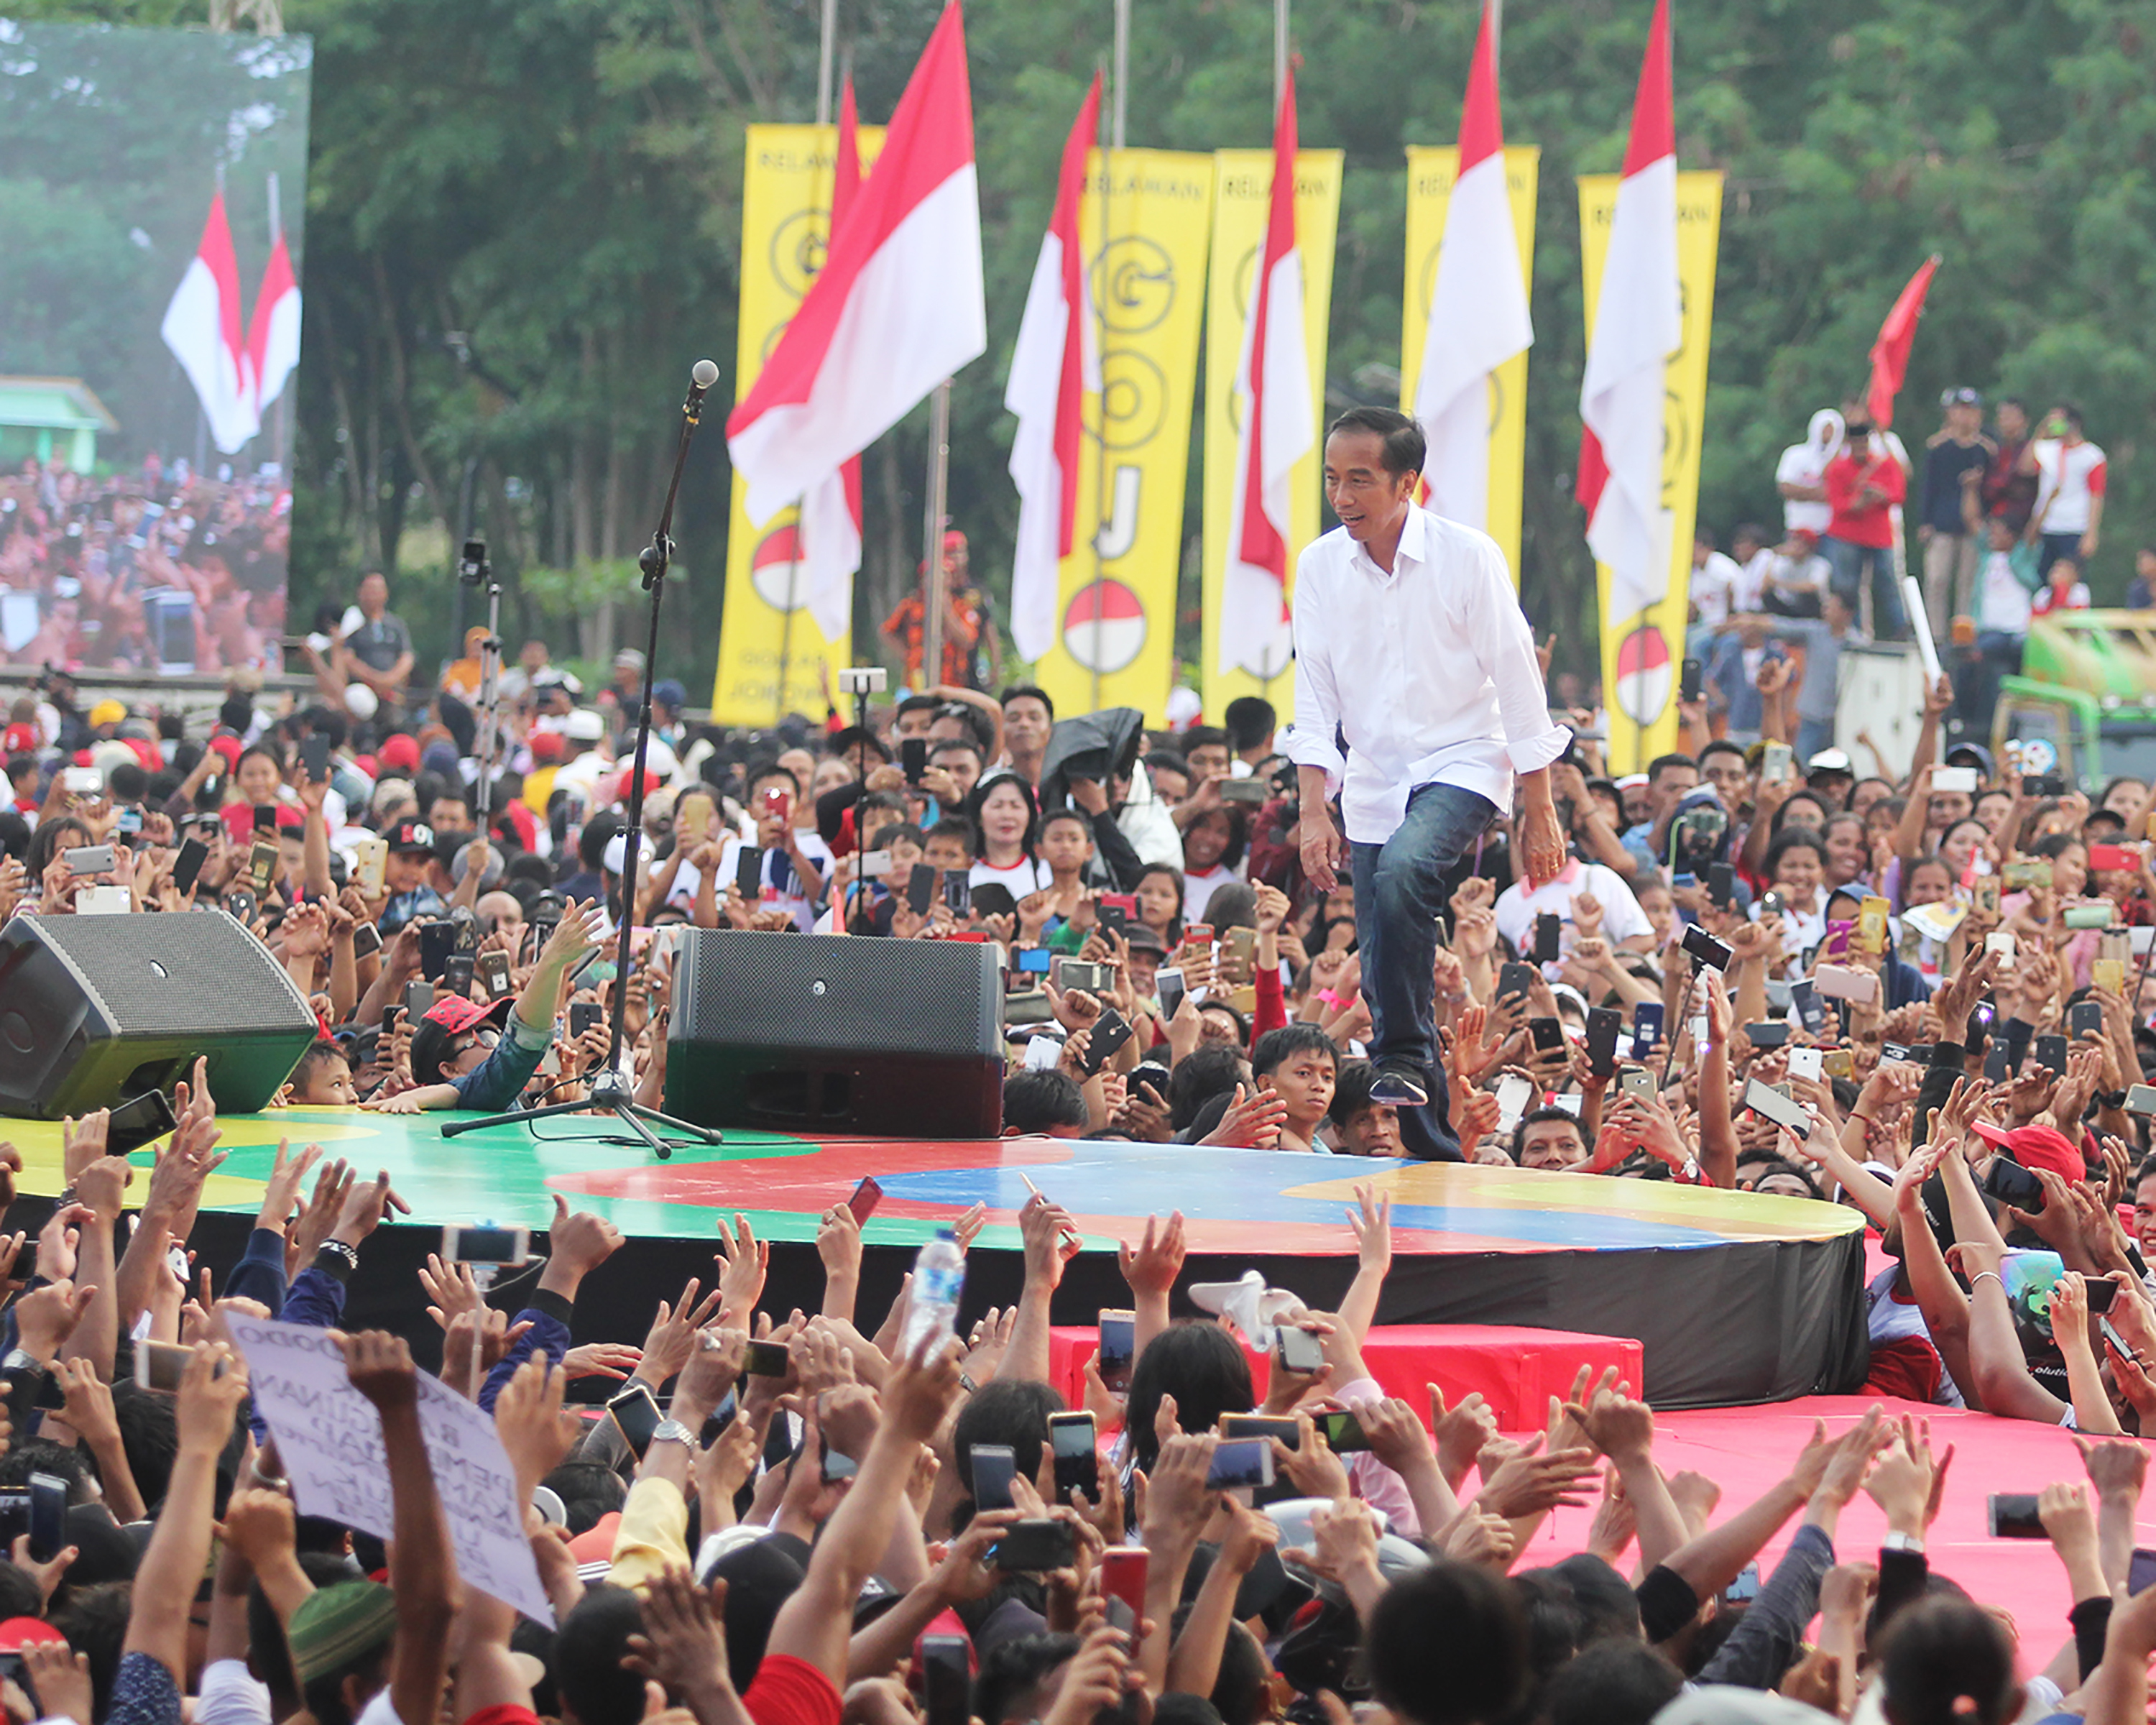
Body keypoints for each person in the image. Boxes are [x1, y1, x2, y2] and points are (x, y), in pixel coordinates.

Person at [1288, 405, 1568, 1161]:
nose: (1342, 497)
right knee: (1381, 945)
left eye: (1360, 480)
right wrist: (1315, 808)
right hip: (1374, 777)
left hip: (1469, 758)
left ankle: (1406, 1050)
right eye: (1331, 480)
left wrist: (1538, 805)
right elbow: (1312, 695)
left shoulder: (1466, 557)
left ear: (1407, 482)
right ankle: (1432, 1143)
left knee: (1410, 869)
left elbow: (1516, 676)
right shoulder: (1319, 568)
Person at [1915, 387, 1994, 639]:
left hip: (1973, 526)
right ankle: (1935, 634)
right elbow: (1929, 487)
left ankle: (1963, 632)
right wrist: (1925, 521)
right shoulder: (1939, 447)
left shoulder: (1986, 450)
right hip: (1942, 523)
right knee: (1937, 580)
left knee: (1968, 583)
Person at [1823, 414, 1906, 637]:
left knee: (1889, 585)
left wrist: (1881, 495)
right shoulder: (1838, 469)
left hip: (1879, 535)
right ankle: (1855, 630)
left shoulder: (1885, 464)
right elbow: (1837, 503)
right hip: (1847, 535)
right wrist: (1857, 504)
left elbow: (1898, 495)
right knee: (1848, 587)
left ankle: (1901, 628)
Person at [881, 530, 982, 689]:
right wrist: (908, 656)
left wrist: (945, 609)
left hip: (953, 684)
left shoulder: (962, 607)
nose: (939, 580)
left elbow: (967, 640)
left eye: (945, 575)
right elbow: (887, 631)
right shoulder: (910, 605)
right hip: (917, 680)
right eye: (932, 576)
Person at [2029, 402, 2106, 576]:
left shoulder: (2092, 456)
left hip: (2074, 526)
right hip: (2047, 525)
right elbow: (2025, 467)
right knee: (2043, 578)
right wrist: (2041, 433)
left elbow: (2096, 495)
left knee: (2071, 578)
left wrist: (2091, 533)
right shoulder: (2048, 450)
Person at [334, 570, 415, 719]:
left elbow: (407, 657)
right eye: (369, 589)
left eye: (378, 590)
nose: (373, 594)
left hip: (392, 694)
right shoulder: (352, 624)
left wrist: (389, 679)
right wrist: (374, 679)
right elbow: (347, 657)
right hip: (361, 692)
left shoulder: (396, 625)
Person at [1774, 408, 1842, 538]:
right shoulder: (1795, 454)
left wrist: (1804, 493)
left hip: (1831, 531)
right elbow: (1786, 488)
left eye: (1832, 429)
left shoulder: (1842, 459)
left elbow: (1842, 494)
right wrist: (1820, 493)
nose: (1828, 434)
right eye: (1825, 428)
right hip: (1798, 528)